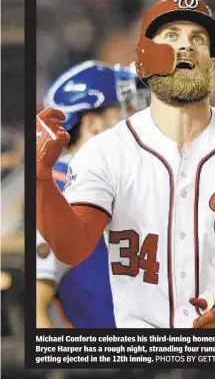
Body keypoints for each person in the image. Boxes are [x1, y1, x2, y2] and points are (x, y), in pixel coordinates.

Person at [36, 0, 215, 329]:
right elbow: (72, 247)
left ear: (213, 64)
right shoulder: (103, 152)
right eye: (171, 36)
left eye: (199, 38)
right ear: (144, 63)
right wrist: (42, 179)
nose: (186, 46)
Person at [36, 61, 145, 328]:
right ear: (93, 123)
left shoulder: (114, 179)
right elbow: (36, 308)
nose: (133, 118)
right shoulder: (61, 189)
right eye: (124, 109)